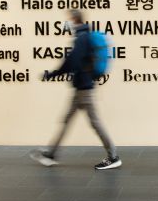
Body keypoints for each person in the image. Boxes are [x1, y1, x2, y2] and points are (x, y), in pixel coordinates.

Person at [30, 9, 121, 170]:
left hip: (84, 89)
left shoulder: (81, 38)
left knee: (95, 123)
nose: (67, 24)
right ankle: (51, 153)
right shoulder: (83, 36)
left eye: (69, 20)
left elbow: (72, 62)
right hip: (81, 87)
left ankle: (113, 156)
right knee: (66, 120)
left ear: (74, 20)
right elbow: (74, 61)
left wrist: (51, 74)